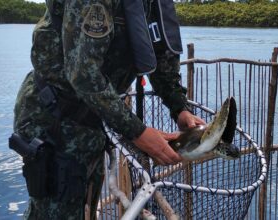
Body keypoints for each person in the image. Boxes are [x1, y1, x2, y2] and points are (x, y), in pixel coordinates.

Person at [12, 0, 204, 219]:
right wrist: (137, 132)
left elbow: (160, 56)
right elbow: (83, 74)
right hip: (54, 118)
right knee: (54, 211)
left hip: (93, 121)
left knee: (84, 208)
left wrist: (180, 108)